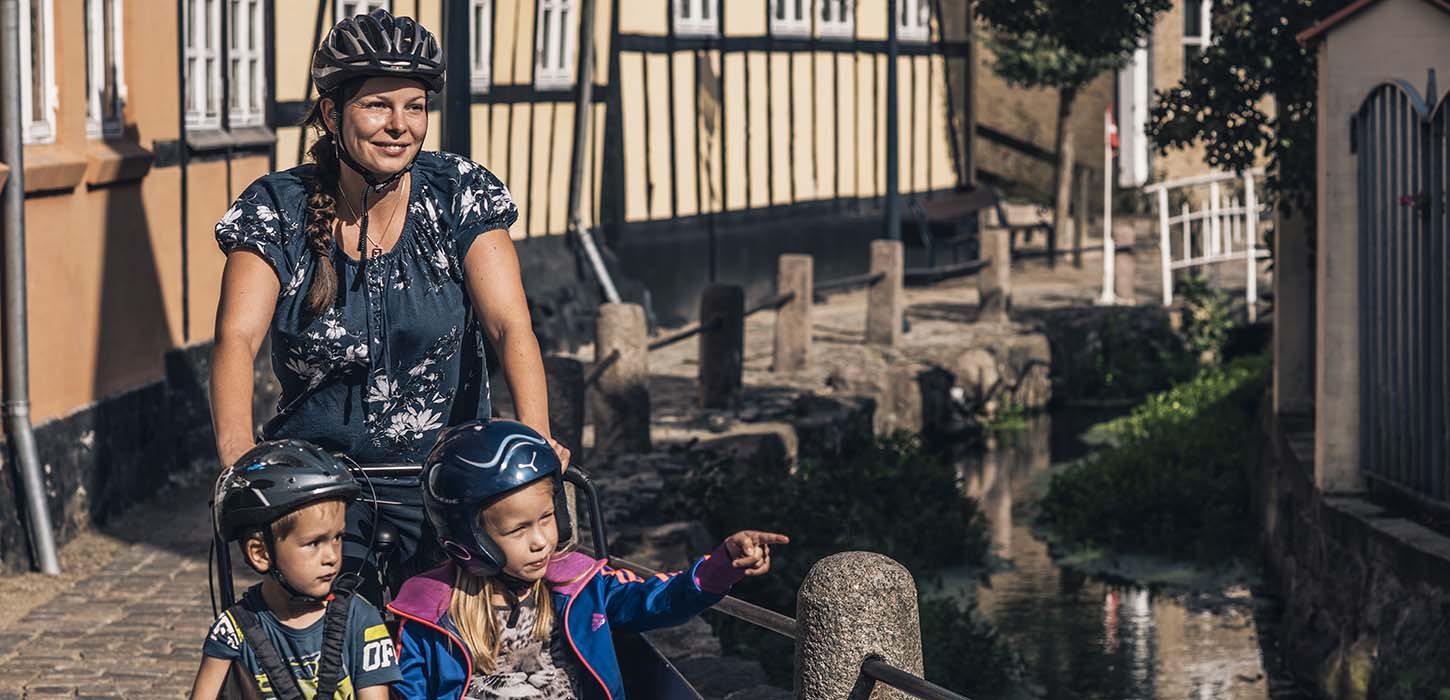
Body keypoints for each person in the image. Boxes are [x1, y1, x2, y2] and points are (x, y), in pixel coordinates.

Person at [209, 8, 568, 596]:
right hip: (319, 486)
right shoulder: (277, 208)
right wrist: (238, 455)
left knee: (461, 655)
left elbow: (509, 326)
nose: (399, 124)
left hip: (451, 480)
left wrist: (533, 437)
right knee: (323, 656)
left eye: (415, 106)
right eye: (377, 105)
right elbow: (236, 340)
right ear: (331, 113)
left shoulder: (459, 194)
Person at [387, 420, 789, 699]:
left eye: (546, 519)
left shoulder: (580, 584)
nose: (540, 540)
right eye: (517, 530)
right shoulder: (429, 613)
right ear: (466, 542)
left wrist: (720, 567)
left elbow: (658, 600)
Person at [189, 440, 400, 700]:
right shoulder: (233, 630)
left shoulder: (361, 620)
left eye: (337, 537)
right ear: (261, 553)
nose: (332, 556)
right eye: (314, 543)